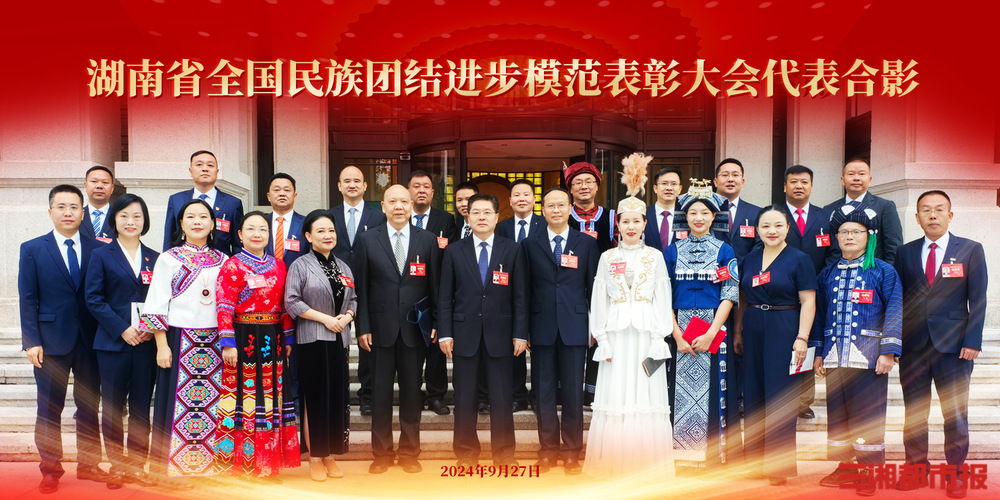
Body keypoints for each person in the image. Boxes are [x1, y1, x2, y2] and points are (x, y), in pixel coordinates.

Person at [583, 153, 674, 479]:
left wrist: (661, 335)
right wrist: (601, 337)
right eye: (625, 221)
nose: (631, 226)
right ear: (617, 225)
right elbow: (599, 298)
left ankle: (645, 464)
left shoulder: (655, 257)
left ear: (645, 224)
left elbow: (663, 296)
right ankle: (614, 462)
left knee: (646, 395)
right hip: (617, 337)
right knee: (617, 395)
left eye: (637, 221)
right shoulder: (607, 258)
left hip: (647, 336)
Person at [894, 190, 986, 498]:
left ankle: (956, 473)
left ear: (950, 215)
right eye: (926, 210)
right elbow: (898, 300)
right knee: (914, 412)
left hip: (955, 347)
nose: (932, 215)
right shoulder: (905, 253)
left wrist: (972, 340)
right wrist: (895, 342)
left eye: (939, 209)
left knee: (955, 413)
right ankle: (916, 469)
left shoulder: (970, 250)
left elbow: (978, 299)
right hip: (914, 346)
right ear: (917, 217)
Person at [18, 185, 108, 493]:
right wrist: (31, 340)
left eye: (74, 207)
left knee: (89, 405)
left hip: (90, 340)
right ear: (50, 212)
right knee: (49, 407)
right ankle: (50, 469)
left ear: (83, 213)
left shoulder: (98, 248)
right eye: (61, 207)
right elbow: (28, 298)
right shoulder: (32, 249)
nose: (68, 212)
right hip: (49, 341)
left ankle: (89, 464)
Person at [810, 203, 903, 496]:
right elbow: (819, 314)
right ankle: (847, 466)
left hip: (870, 356)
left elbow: (895, 310)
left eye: (856, 232)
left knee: (867, 414)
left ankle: (870, 470)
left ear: (868, 236)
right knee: (839, 413)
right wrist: (818, 351)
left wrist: (888, 351)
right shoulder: (827, 274)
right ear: (836, 237)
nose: (849, 236)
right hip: (836, 354)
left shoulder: (883, 271)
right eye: (844, 232)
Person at [354, 185, 441, 475]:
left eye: (404, 201)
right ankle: (381, 454)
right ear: (383, 206)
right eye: (393, 201)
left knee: (412, 394)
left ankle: (409, 453)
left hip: (415, 329)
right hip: (379, 330)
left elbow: (435, 287)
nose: (399, 206)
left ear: (411, 205)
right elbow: (361, 288)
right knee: (379, 395)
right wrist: (363, 326)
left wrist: (436, 322)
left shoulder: (427, 240)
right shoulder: (367, 239)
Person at [141, 198, 227, 487]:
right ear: (181, 224)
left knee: (213, 406)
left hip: (216, 342)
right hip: (180, 340)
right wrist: (161, 345)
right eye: (190, 217)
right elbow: (156, 304)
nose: (197, 221)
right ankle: (174, 469)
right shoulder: (169, 258)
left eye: (203, 216)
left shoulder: (224, 260)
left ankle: (209, 467)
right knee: (175, 407)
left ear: (213, 224)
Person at [438, 193, 527, 468]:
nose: (481, 217)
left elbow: (520, 296)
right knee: (465, 398)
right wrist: (445, 332)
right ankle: (466, 454)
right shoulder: (454, 250)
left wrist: (521, 333)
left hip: (501, 335)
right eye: (475, 212)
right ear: (467, 217)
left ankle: (505, 454)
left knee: (502, 398)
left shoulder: (512, 249)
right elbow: (445, 296)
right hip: (464, 335)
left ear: (497, 217)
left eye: (487, 212)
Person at [213, 212, 299, 479]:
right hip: (243, 337)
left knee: (272, 397)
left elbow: (285, 305)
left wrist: (288, 338)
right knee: (245, 398)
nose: (257, 233)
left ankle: (269, 462)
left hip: (273, 337)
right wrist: (228, 342)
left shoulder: (279, 265)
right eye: (250, 228)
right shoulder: (232, 266)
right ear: (240, 235)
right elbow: (224, 304)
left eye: (263, 228)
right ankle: (244, 463)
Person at [734, 206, 817, 485]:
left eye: (778, 225)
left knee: (780, 396)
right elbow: (743, 298)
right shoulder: (749, 258)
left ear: (788, 228)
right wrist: (738, 331)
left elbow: (808, 300)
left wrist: (802, 337)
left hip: (784, 326)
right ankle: (754, 463)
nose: (772, 231)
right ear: (757, 229)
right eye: (766, 226)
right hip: (753, 325)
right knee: (753, 395)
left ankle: (778, 467)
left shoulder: (800, 259)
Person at [664, 180, 742, 470]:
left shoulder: (725, 250)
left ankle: (713, 459)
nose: (699, 217)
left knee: (715, 392)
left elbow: (730, 294)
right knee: (679, 392)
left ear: (714, 217)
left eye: (705, 213)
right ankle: (682, 457)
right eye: (693, 212)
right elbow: (664, 297)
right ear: (685, 216)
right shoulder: (671, 251)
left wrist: (711, 332)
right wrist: (677, 336)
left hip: (714, 327)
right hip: (679, 329)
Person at [84, 193, 159, 489]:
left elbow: (161, 299)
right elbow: (93, 298)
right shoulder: (101, 255)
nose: (131, 221)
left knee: (140, 407)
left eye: (137, 216)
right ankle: (116, 464)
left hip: (146, 343)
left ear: (145, 220)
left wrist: (152, 328)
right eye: (124, 215)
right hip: (112, 344)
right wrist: (121, 329)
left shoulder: (156, 257)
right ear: (114, 219)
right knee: (113, 406)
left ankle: (137, 465)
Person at [524, 187, 598, 474]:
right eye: (550, 206)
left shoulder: (586, 243)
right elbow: (524, 291)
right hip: (540, 326)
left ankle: (571, 451)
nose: (556, 210)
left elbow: (594, 290)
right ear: (543, 210)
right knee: (543, 392)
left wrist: (595, 326)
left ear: (570, 209)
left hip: (575, 326)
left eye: (561, 205)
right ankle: (547, 450)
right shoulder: (530, 244)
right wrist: (524, 329)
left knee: (572, 393)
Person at [284, 209, 357, 481]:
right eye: (321, 231)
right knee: (314, 398)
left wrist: (347, 317)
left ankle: (330, 454)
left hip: (339, 338)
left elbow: (353, 299)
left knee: (335, 398)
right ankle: (315, 456)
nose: (328, 235)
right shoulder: (300, 265)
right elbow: (292, 301)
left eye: (331, 231)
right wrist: (326, 319)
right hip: (312, 339)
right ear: (308, 236)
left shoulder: (344, 266)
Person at [778, 165, 838, 419]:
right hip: (781, 292)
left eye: (804, 182)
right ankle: (779, 399)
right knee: (783, 346)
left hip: (815, 293)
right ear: (784, 186)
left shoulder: (825, 217)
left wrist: (819, 281)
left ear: (812, 186)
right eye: (793, 182)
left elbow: (834, 253)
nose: (799, 186)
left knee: (808, 343)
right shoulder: (774, 214)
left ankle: (803, 402)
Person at [331, 166, 385, 417]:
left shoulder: (378, 217)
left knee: (367, 343)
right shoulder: (329, 216)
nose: (352, 185)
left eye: (357, 181)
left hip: (370, 288)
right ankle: (337, 395)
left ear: (365, 186)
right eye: (346, 181)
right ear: (339, 186)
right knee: (335, 343)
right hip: (335, 288)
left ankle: (367, 395)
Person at [564, 161, 615, 406]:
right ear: (570, 188)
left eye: (589, 181)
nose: (584, 186)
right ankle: (566, 393)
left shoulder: (613, 217)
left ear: (597, 186)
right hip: (569, 290)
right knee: (568, 341)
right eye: (578, 183)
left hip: (604, 290)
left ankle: (594, 394)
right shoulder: (562, 216)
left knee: (600, 341)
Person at [408, 170, 457, 415]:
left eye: (426, 186)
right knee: (411, 351)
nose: (421, 190)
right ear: (409, 191)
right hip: (409, 294)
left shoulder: (445, 220)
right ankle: (413, 395)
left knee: (436, 350)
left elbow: (452, 255)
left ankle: (436, 396)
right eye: (416, 186)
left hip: (437, 292)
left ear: (433, 192)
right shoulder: (400, 218)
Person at [496, 178, 544, 413]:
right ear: (510, 200)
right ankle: (517, 395)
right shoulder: (501, 227)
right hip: (509, 296)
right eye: (517, 195)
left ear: (534, 199)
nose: (521, 199)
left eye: (526, 194)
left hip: (539, 294)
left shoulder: (545, 224)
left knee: (539, 348)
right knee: (514, 347)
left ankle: (538, 395)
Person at [823, 157, 903, 265]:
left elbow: (893, 247)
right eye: (851, 174)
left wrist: (886, 272)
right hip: (838, 271)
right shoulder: (829, 209)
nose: (856, 178)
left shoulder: (885, 207)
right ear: (843, 180)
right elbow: (826, 249)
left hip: (872, 271)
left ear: (869, 180)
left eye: (861, 174)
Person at [163, 150, 244, 255]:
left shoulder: (233, 203)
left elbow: (238, 246)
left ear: (217, 172)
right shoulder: (176, 200)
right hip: (183, 262)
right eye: (199, 165)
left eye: (210, 165)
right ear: (190, 171)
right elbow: (169, 240)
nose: (205, 169)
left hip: (221, 263)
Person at [713, 158, 761, 266]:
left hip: (746, 272)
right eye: (725, 175)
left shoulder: (756, 213)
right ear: (715, 182)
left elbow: (759, 245)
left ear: (742, 182)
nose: (730, 179)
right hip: (711, 272)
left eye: (735, 175)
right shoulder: (706, 212)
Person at [266, 172, 310, 266]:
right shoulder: (261, 222)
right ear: (269, 197)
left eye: (287, 190)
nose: (282, 194)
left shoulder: (306, 223)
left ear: (295, 196)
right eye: (276, 190)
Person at [644, 166, 684, 251]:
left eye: (674, 184)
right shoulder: (644, 214)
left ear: (680, 189)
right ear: (655, 188)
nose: (669, 188)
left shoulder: (685, 216)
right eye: (664, 183)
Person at [80, 165, 115, 243]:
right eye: (94, 181)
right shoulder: (77, 216)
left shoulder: (119, 217)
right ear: (85, 186)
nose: (99, 186)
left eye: (105, 182)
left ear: (112, 188)